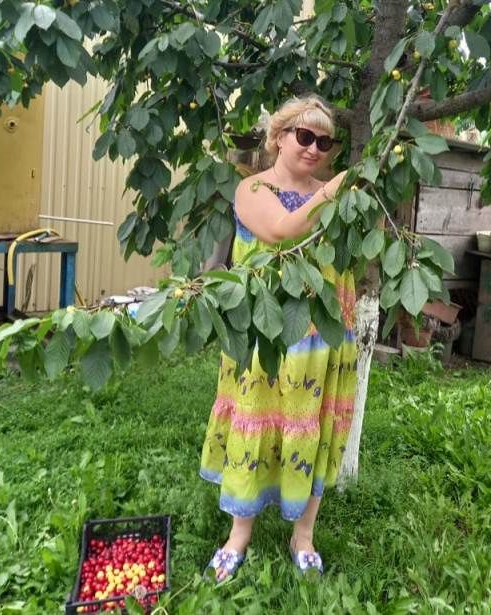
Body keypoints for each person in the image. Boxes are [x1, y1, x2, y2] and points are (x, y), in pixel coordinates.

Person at [199, 95, 356, 580]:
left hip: (320, 334)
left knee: (312, 424)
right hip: (264, 337)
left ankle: (303, 534)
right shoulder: (252, 188)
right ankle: (238, 534)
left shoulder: (332, 190)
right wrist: (339, 189)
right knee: (255, 416)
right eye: (304, 136)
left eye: (324, 142)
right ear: (278, 137)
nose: (314, 148)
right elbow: (282, 230)